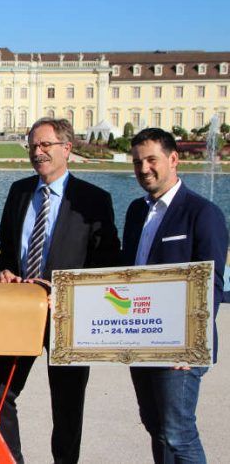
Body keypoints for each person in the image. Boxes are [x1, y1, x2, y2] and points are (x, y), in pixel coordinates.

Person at [0, 118, 120, 464]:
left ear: (67, 149)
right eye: (32, 145)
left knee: (68, 402)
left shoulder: (93, 199)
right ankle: (10, 459)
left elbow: (106, 262)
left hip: (69, 314)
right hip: (22, 311)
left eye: (45, 145)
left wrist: (58, 286)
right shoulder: (18, 192)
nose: (37, 152)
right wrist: (6, 272)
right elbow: (6, 248)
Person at [122, 128, 228, 463]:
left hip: (180, 346)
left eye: (151, 160)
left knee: (178, 433)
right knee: (156, 426)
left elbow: (210, 281)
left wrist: (192, 343)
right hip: (141, 339)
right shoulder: (136, 212)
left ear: (173, 159)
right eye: (138, 162)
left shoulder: (202, 213)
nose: (144, 169)